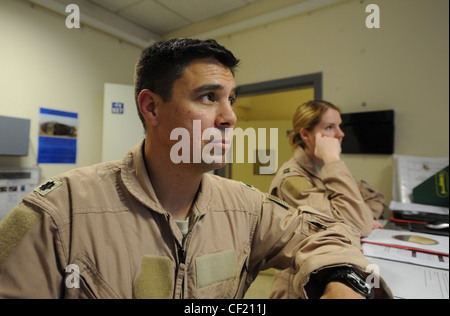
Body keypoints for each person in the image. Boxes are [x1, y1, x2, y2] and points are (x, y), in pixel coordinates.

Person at [0, 39, 391, 299]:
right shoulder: (57, 212)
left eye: (231, 100)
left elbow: (330, 233)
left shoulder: (247, 207)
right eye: (208, 98)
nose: (230, 118)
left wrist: (343, 280)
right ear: (151, 108)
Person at [269, 99, 386, 299]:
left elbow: (375, 198)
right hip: (300, 286)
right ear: (305, 134)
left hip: (330, 274)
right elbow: (359, 223)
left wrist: (361, 215)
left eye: (339, 126)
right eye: (330, 127)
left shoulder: (322, 168)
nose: (340, 134)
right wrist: (333, 159)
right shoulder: (292, 179)